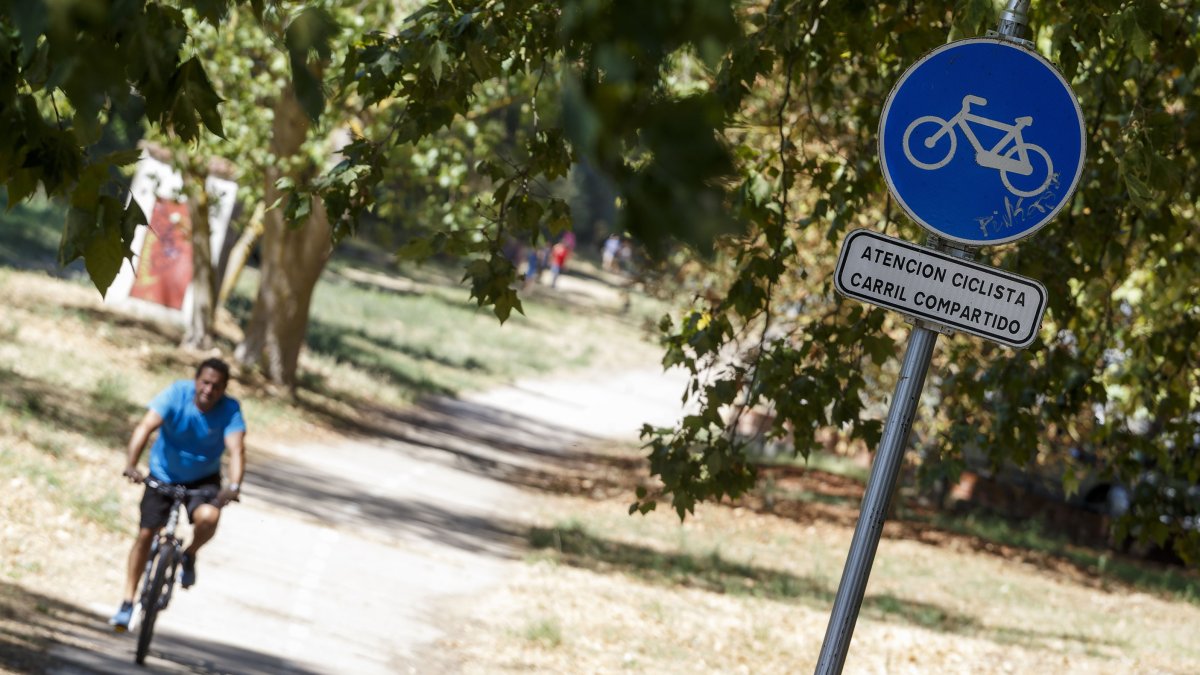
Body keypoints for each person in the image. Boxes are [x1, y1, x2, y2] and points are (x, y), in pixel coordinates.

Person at [109, 358, 247, 631]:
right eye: (205, 383)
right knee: (146, 534)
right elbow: (145, 427)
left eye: (216, 386)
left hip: (202, 478)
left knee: (209, 516)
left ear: (224, 389)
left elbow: (236, 451)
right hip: (163, 473)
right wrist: (131, 464)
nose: (209, 390)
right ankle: (127, 602)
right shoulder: (175, 394)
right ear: (196, 381)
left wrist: (233, 486)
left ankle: (189, 554)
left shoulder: (230, 410)